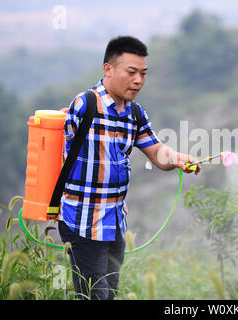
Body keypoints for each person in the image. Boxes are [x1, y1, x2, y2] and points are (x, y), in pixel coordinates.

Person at [57, 35, 201, 300]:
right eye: (131, 72)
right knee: (93, 296)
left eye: (143, 74)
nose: (138, 81)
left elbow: (157, 152)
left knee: (109, 295)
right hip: (83, 222)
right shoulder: (86, 105)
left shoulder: (135, 114)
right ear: (108, 69)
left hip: (114, 222)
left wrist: (178, 158)